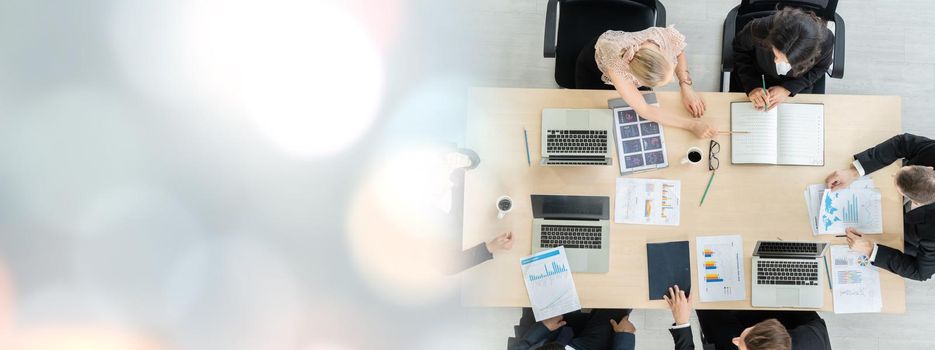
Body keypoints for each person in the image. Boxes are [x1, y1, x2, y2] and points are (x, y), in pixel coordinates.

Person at [825, 133, 935, 281]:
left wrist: (870, 249)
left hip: (917, 234)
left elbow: (920, 272)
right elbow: (902, 143)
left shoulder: (932, 235)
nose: (892, 175)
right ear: (929, 168)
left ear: (917, 203)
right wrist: (855, 171)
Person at [575, 26, 717, 139]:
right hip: (592, 71)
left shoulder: (659, 36)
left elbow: (679, 52)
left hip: (626, 58)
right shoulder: (617, 69)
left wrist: (686, 86)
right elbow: (644, 110)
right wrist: (692, 125)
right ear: (638, 80)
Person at [663, 285, 831, 350]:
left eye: (741, 345)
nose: (735, 340)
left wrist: (682, 322)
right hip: (779, 315)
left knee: (707, 302)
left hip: (722, 337)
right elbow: (804, 310)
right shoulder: (812, 339)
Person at [732, 7, 834, 111]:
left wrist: (787, 89)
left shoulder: (825, 41)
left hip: (797, 83)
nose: (776, 61)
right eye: (776, 54)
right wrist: (752, 85)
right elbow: (739, 49)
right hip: (757, 76)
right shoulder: (759, 29)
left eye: (786, 61)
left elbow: (822, 67)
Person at [508, 308, 635, 350]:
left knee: (539, 291)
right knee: (616, 310)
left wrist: (543, 327)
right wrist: (625, 337)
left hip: (543, 342)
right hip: (590, 346)